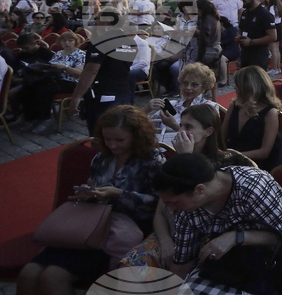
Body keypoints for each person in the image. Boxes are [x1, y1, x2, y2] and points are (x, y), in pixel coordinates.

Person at [19, 106, 163, 291]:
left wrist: (119, 194)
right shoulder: (101, 158)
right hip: (89, 225)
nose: (113, 145)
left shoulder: (151, 160)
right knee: (28, 273)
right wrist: (88, 193)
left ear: (137, 136)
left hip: (119, 234)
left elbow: (161, 204)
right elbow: (95, 187)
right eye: (107, 139)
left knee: (52, 276)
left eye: (120, 140)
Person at [119, 105, 254, 268]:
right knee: (130, 265)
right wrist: (165, 241)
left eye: (188, 127)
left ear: (208, 132)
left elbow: (206, 207)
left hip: (210, 237)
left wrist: (186, 159)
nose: (180, 131)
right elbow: (162, 210)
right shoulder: (174, 164)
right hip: (173, 232)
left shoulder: (232, 162)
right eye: (180, 125)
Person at [151, 153, 282, 295]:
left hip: (271, 257)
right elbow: (183, 263)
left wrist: (236, 238)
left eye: (174, 202)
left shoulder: (252, 187)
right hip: (225, 263)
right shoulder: (186, 211)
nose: (171, 209)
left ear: (199, 189)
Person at [66, 9, 137, 135]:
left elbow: (90, 71)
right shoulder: (131, 42)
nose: (96, 21)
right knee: (120, 131)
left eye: (98, 18)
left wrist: (76, 97)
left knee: (100, 134)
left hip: (102, 94)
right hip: (124, 92)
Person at [16, 31, 85, 133]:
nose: (67, 43)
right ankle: (32, 118)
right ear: (60, 42)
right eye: (64, 41)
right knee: (28, 87)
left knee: (44, 89)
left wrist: (65, 67)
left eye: (70, 41)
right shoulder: (58, 53)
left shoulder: (80, 54)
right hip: (54, 78)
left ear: (76, 41)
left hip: (71, 82)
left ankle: (46, 118)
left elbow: (79, 74)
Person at [221, 66, 282, 171]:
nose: (235, 87)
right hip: (230, 159)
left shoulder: (270, 113)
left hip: (256, 164)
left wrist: (235, 156)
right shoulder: (235, 105)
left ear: (249, 87)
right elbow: (222, 137)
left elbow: (264, 152)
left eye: (237, 84)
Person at [147, 63, 221, 131]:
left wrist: (174, 126)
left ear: (204, 88)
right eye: (185, 83)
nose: (188, 88)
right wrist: (147, 109)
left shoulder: (209, 107)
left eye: (194, 85)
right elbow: (144, 126)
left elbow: (204, 138)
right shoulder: (172, 105)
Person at [238, 0, 277, 71]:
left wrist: (251, 42)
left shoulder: (264, 14)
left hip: (258, 56)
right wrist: (238, 37)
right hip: (245, 54)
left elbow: (273, 37)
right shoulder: (245, 13)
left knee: (256, 81)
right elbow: (241, 29)